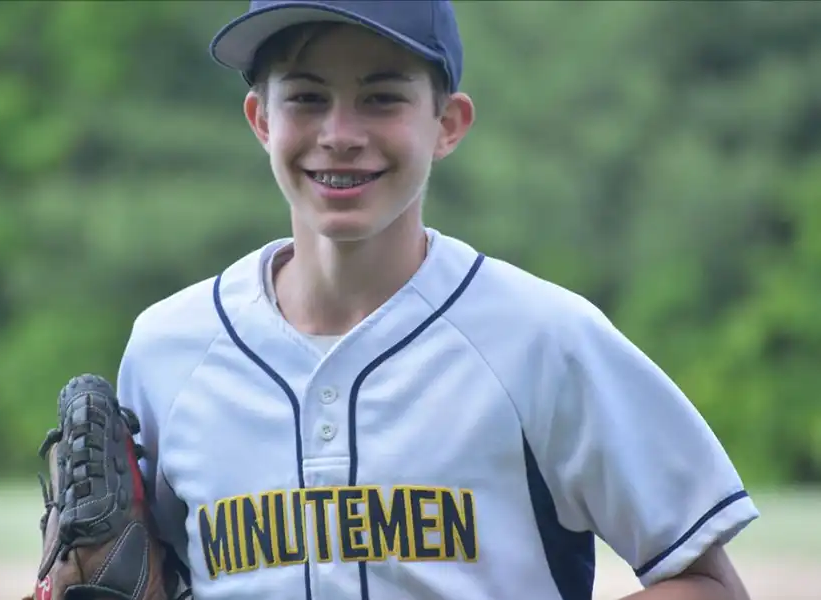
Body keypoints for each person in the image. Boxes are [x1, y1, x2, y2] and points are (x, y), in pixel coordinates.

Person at [115, 1, 759, 599]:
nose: (339, 133)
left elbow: (708, 584)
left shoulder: (541, 338)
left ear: (447, 124)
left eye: (381, 98)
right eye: (307, 97)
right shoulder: (169, 350)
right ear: (261, 120)